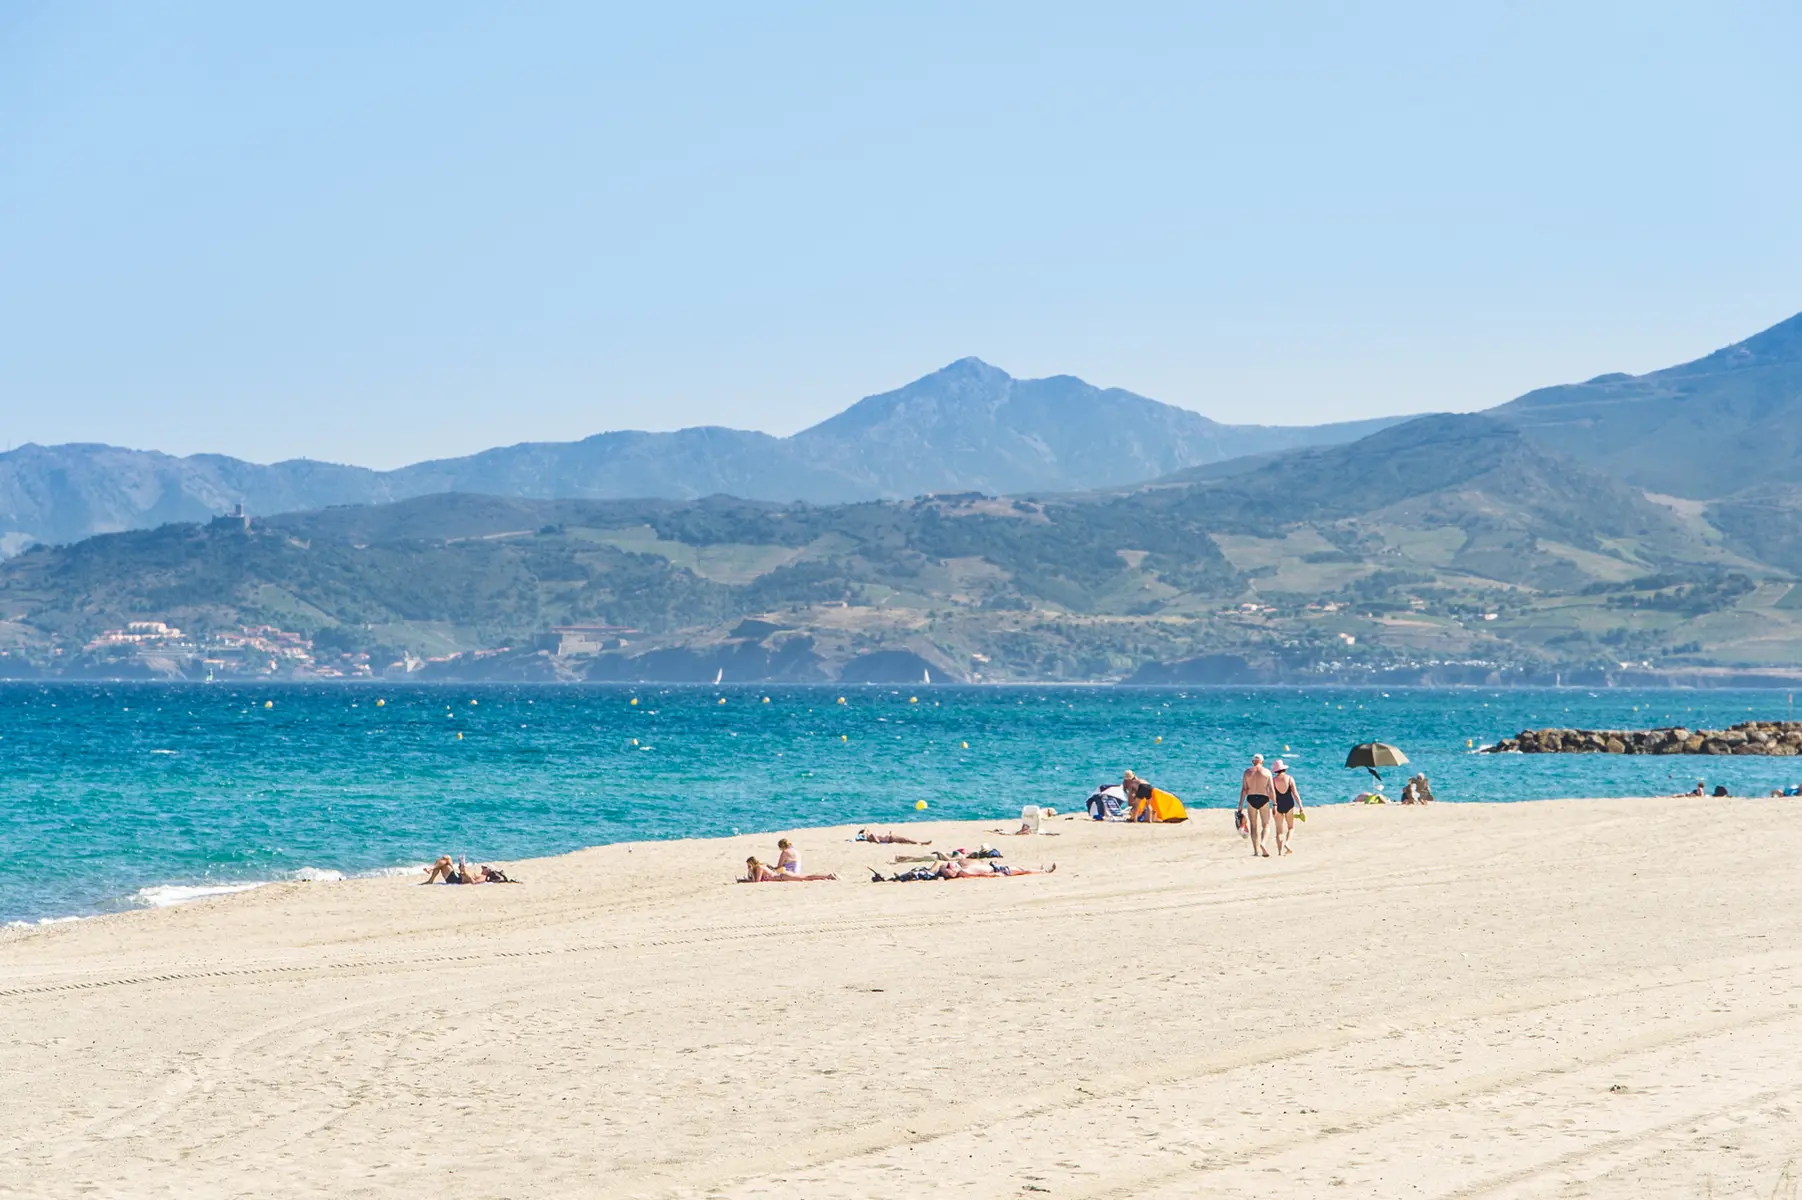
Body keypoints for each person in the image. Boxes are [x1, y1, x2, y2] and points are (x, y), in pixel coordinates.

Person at [1239, 754, 1274, 857]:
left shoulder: (1247, 772)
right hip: (1263, 798)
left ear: (1252, 762)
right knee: (1266, 824)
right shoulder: (1267, 772)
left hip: (1251, 799)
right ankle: (1263, 843)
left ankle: (1256, 851)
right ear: (1262, 762)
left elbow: (1244, 789)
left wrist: (1240, 805)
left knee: (1253, 826)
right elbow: (1271, 789)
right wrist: (1275, 803)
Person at [1270, 759, 1303, 855]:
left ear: (1276, 770)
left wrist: (1274, 805)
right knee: (1291, 827)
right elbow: (1295, 793)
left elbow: (1271, 795)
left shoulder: (1273, 781)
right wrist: (1300, 806)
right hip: (1289, 804)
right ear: (1284, 769)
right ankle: (1287, 843)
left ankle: (1280, 852)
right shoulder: (1289, 778)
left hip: (1278, 805)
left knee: (1279, 831)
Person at [741, 856, 837, 882]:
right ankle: (828, 876)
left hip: (782, 876)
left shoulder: (759, 867)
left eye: (749, 865)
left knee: (806, 877)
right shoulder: (761, 866)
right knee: (806, 877)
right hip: (781, 874)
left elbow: (757, 881)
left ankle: (828, 876)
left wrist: (749, 873)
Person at [856, 829, 930, 845]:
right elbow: (878, 841)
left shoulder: (869, 838)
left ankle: (919, 842)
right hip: (890, 838)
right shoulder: (871, 835)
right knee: (907, 839)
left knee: (905, 840)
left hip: (889, 838)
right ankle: (921, 843)